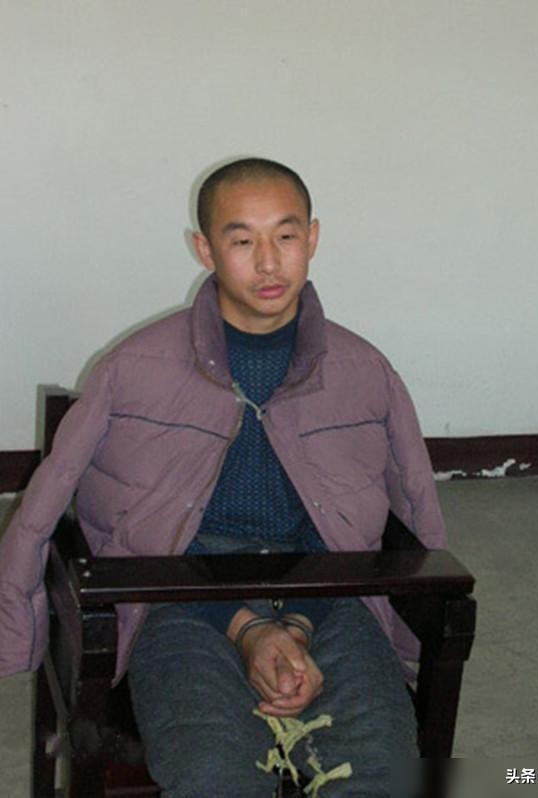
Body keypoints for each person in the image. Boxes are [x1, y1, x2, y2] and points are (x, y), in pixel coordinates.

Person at [0, 158, 446, 797]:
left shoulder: (365, 371)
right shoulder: (132, 370)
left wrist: (303, 624)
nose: (268, 263)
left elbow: (414, 504)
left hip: (330, 594)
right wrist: (244, 626)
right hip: (177, 601)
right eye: (242, 241)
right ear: (205, 250)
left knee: (384, 772)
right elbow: (50, 502)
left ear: (313, 238)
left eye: (286, 236)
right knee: (213, 775)